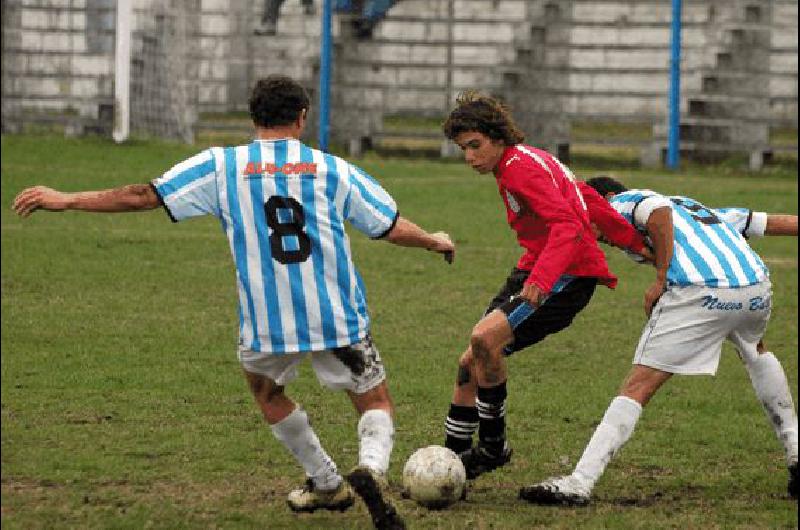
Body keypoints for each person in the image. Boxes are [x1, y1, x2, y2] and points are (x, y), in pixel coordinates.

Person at [12, 75, 455, 530]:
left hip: (267, 322)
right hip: (336, 315)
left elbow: (142, 196)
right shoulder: (331, 168)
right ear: (302, 118)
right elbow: (389, 225)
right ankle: (372, 469)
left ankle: (326, 483)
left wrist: (67, 199)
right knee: (373, 398)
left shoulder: (222, 166)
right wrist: (433, 241)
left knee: (267, 393)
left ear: (253, 119)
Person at [519, 176, 798, 505]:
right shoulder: (699, 209)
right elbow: (775, 222)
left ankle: (580, 481)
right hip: (754, 289)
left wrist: (662, 278)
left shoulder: (620, 202)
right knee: (756, 352)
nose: (591, 228)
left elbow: (657, 211)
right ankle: (796, 453)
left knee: (639, 384)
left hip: (699, 289)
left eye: (588, 215)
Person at [439, 91, 649, 481]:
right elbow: (584, 195)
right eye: (462, 148)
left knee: (485, 341)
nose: (468, 156)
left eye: (474, 146)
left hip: (565, 277)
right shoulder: (529, 158)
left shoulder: (521, 168)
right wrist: (632, 242)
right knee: (472, 358)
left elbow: (569, 224)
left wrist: (541, 280)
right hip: (539, 266)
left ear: (497, 138)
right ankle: (450, 459)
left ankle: (491, 448)